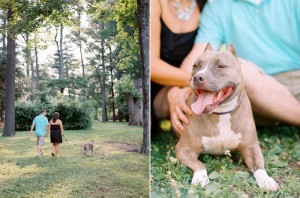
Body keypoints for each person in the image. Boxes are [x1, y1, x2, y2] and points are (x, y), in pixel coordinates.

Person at [167, 0, 300, 136]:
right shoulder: (218, 6)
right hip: (255, 88)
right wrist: (178, 89)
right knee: (240, 70)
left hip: (297, 77)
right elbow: (200, 54)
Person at [151, 0, 207, 136]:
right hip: (154, 90)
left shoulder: (207, 6)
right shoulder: (153, 3)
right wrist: (196, 81)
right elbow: (150, 66)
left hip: (188, 85)